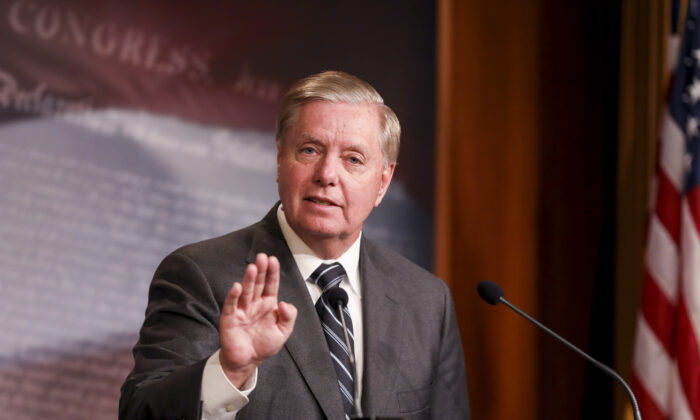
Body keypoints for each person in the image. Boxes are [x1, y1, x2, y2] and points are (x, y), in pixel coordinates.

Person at [119, 71, 470, 420]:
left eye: (353, 159)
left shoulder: (427, 302)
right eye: (310, 150)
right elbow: (140, 413)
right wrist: (229, 371)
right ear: (279, 160)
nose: (327, 174)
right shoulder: (200, 275)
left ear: (383, 181)